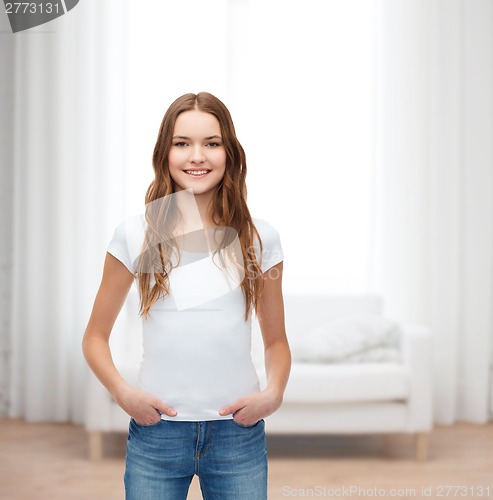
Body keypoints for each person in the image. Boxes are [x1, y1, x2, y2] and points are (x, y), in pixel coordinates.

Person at [82, 92, 291, 500]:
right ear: (165, 153)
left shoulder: (260, 238)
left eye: (211, 143)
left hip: (238, 435)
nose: (198, 156)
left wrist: (273, 394)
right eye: (183, 143)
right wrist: (124, 394)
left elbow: (277, 341)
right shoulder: (133, 234)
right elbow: (94, 337)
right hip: (156, 434)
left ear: (229, 152)